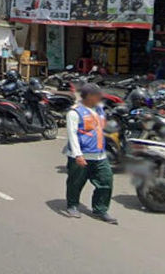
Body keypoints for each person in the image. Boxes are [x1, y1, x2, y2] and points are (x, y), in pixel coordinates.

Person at [63, 83, 117, 224]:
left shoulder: (99, 110)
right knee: (75, 182)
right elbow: (72, 135)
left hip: (99, 155)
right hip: (82, 155)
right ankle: (73, 205)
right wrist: (78, 155)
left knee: (106, 181)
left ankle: (100, 210)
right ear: (89, 97)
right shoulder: (74, 112)